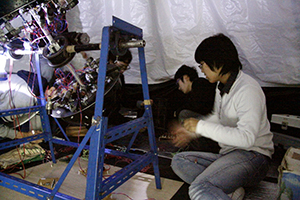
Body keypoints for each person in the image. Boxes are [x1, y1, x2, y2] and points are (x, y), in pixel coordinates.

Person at [170, 33, 274, 200]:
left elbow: (247, 138)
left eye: (202, 64)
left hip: (253, 157)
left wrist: (200, 126)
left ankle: (218, 187)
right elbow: (219, 118)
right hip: (228, 154)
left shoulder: (248, 89)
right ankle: (230, 190)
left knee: (199, 189)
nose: (201, 70)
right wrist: (192, 132)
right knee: (179, 161)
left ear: (218, 63)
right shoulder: (221, 86)